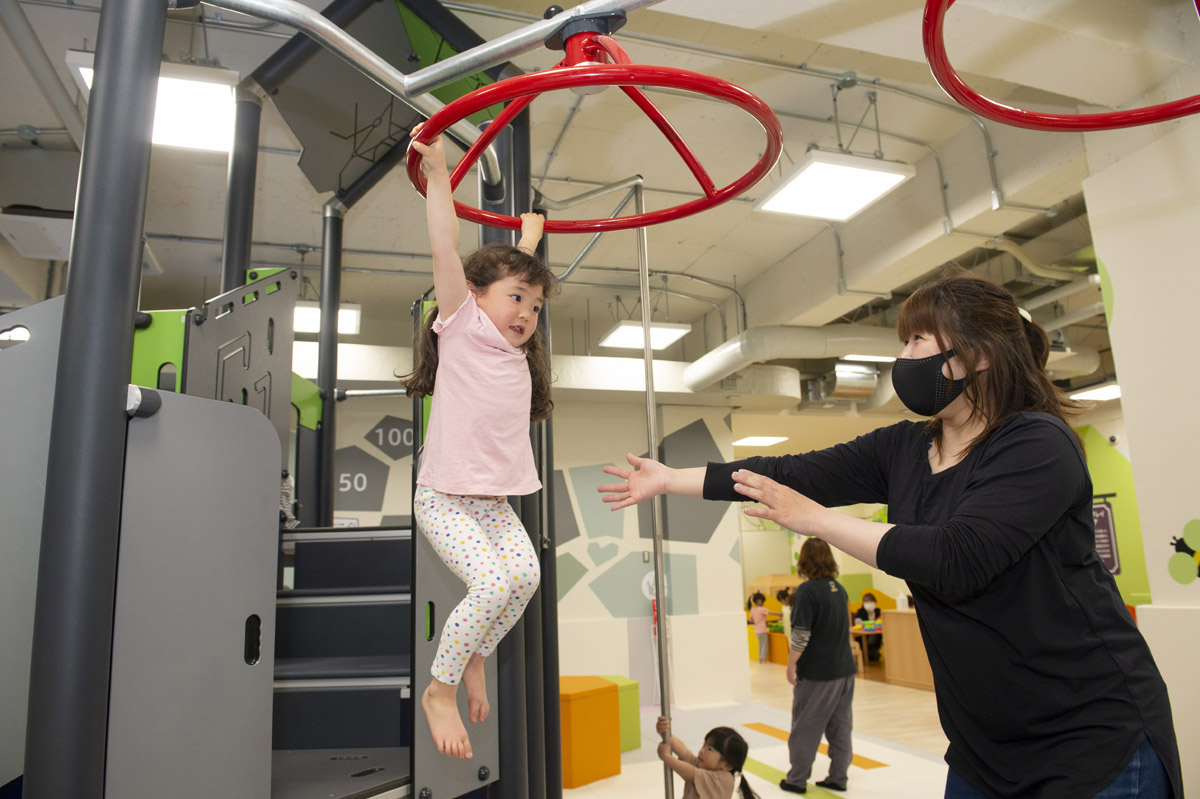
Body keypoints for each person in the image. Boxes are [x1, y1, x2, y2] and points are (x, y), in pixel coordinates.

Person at [599, 267, 1183, 798]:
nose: (903, 356)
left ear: (977, 355)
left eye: (917, 341)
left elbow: (957, 557)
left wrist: (814, 519)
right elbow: (786, 472)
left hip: (1088, 737)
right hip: (983, 747)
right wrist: (672, 478)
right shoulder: (904, 447)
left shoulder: (1037, 443)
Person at [402, 127, 558, 760]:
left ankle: (472, 656)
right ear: (474, 298)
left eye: (537, 305)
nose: (527, 312)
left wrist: (528, 246)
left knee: (524, 576)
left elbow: (511, 279)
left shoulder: (514, 349)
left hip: (489, 503)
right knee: (490, 585)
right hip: (443, 496)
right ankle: (439, 688)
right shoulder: (462, 325)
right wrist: (440, 175)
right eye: (517, 299)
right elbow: (449, 245)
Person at [776, 537, 856, 794]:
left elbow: (801, 635)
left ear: (803, 561)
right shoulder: (839, 588)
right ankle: (839, 776)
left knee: (806, 726)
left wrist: (790, 666)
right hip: (845, 670)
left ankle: (796, 779)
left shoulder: (807, 591)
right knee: (841, 726)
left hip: (818, 672)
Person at [655, 716, 760, 799]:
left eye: (710, 749)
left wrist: (667, 757)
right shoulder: (702, 765)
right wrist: (665, 732)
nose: (702, 750)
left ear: (727, 765)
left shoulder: (724, 779)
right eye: (704, 745)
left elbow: (690, 773)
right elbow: (684, 752)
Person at [745, 591, 778, 664]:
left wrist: (757, 619)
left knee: (760, 645)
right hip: (763, 629)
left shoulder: (753, 609)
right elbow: (772, 613)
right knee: (765, 645)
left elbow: (751, 619)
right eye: (763, 601)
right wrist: (781, 614)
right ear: (759, 601)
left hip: (757, 630)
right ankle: (764, 660)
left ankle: (760, 659)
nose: (763, 603)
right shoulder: (762, 609)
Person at [852, 591, 883, 662]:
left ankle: (872, 649)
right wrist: (870, 623)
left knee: (875, 657)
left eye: (871, 601)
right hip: (863, 639)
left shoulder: (878, 611)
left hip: (876, 638)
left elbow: (881, 621)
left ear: (875, 602)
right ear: (863, 603)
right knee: (871, 657)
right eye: (866, 601)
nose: (869, 603)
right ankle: (866, 651)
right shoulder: (861, 611)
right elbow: (857, 622)